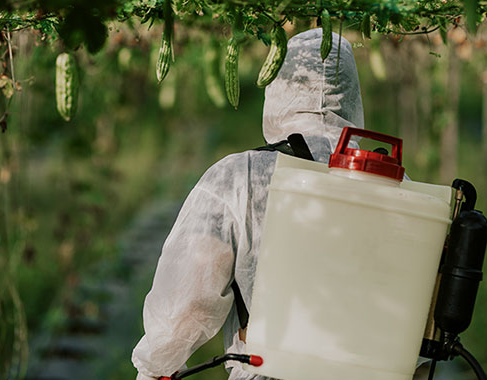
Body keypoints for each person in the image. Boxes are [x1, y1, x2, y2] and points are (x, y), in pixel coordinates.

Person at [131, 28, 365, 380]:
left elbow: (186, 303)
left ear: (278, 84)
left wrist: (154, 368)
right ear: (351, 92)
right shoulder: (397, 187)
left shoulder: (242, 176)